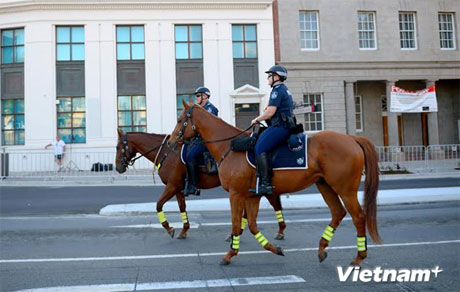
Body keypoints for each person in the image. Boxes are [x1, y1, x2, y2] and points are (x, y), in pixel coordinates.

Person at [250, 65, 294, 195]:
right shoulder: (283, 89)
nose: (268, 78)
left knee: (259, 148)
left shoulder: (277, 90)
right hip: (281, 125)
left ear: (276, 77)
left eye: (269, 76)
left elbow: (270, 112)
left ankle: (266, 184)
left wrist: (257, 119)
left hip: (280, 127)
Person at [184, 87, 219, 196]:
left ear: (205, 96)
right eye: (196, 96)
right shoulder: (199, 109)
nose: (196, 98)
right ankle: (187, 182)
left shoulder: (210, 109)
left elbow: (206, 127)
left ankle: (195, 186)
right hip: (198, 139)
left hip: (206, 141)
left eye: (198, 96)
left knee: (190, 156)